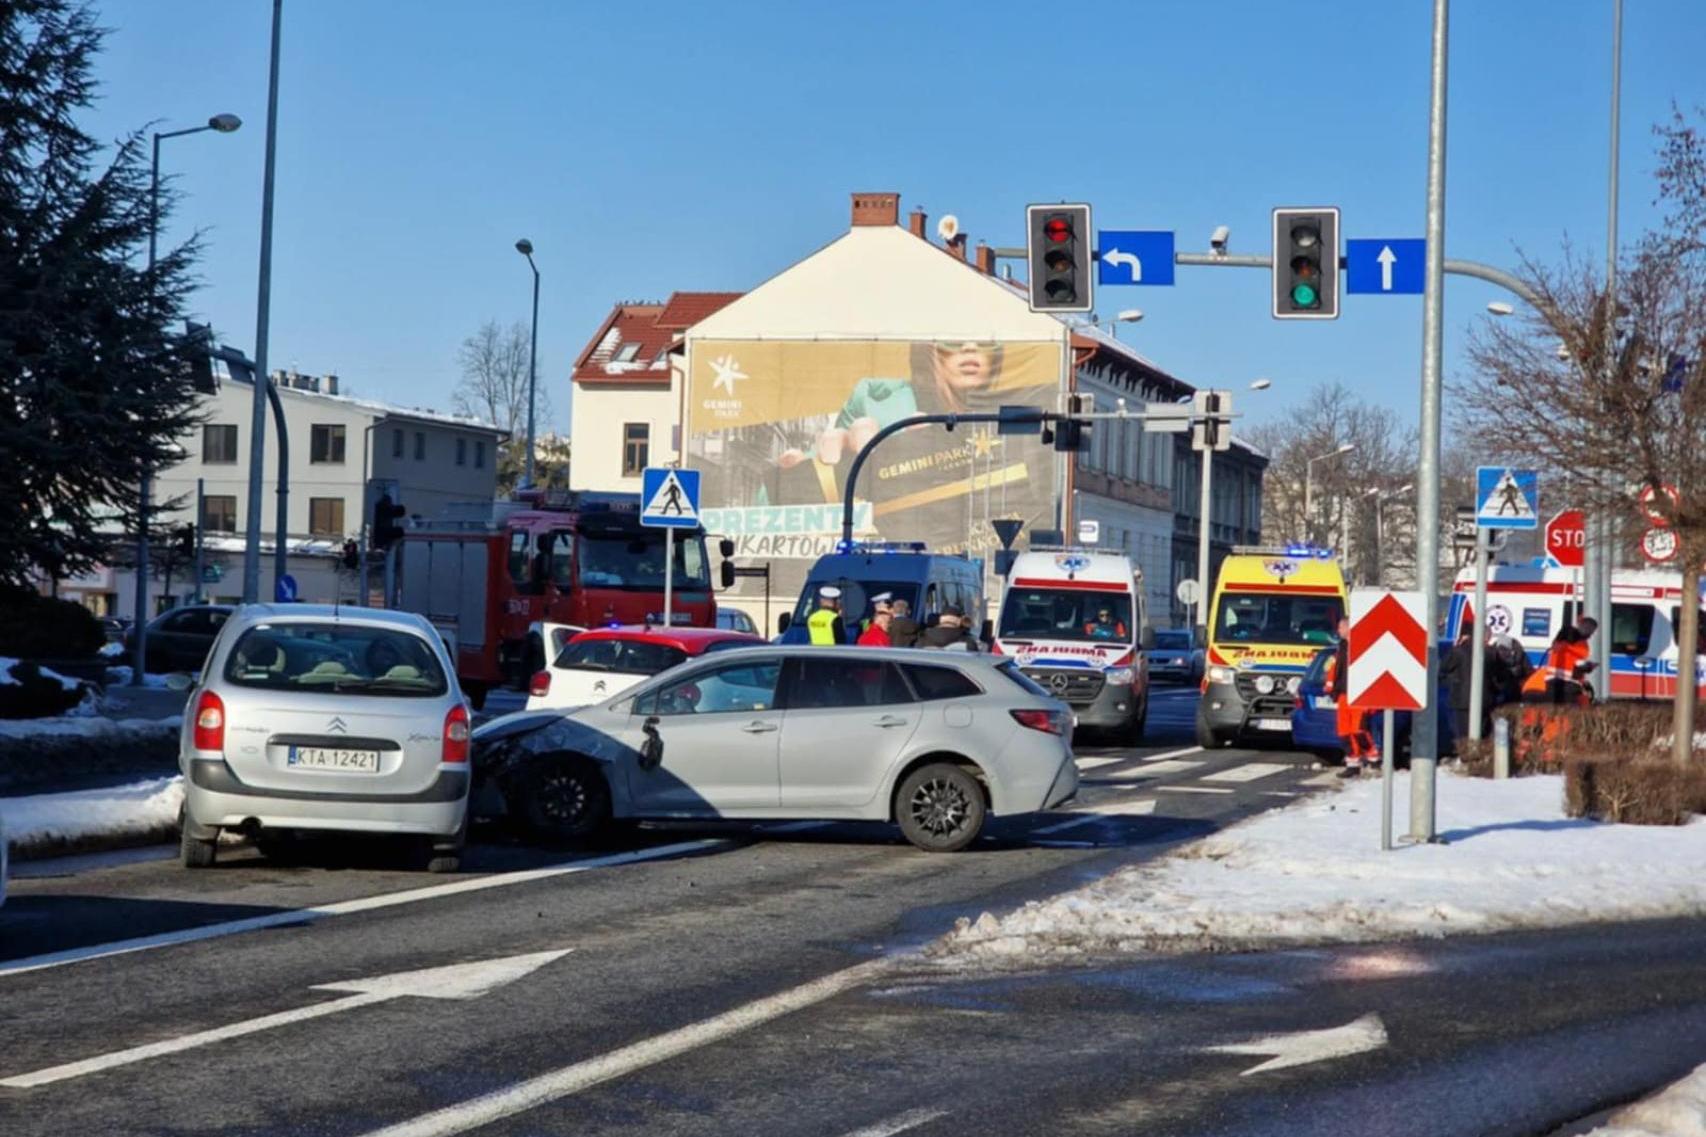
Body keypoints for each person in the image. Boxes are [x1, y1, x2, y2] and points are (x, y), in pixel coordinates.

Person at [1323, 616, 1377, 777]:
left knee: (1359, 730)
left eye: (1341, 627)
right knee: (1344, 732)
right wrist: (1330, 687)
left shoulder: (1362, 646)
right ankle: (1353, 763)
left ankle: (1374, 760)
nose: (1338, 630)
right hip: (1343, 694)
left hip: (1359, 695)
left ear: (1349, 628)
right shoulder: (1341, 647)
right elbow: (1334, 669)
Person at [1521, 616, 1598, 704]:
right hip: (1568, 685)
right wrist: (1588, 667)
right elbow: (1578, 665)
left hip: (1549, 684)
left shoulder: (1558, 645)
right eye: (1591, 632)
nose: (1590, 636)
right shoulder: (1580, 647)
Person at [1439, 625, 1493, 742]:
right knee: (1480, 734)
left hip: (1461, 700)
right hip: (1484, 700)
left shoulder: (1459, 651)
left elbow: (1444, 667)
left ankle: (1466, 752)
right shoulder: (1489, 653)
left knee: (1462, 735)